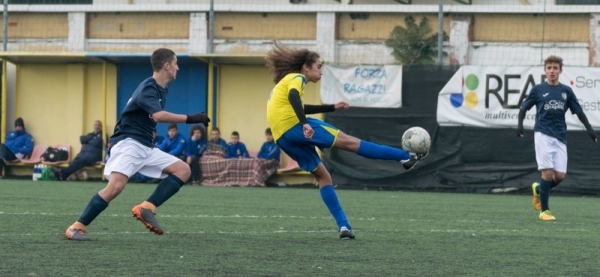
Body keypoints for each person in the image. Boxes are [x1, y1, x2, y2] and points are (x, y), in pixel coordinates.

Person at [265, 41, 427, 239]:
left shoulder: (288, 81)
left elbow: (300, 105)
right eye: (318, 66)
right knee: (352, 143)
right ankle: (405, 156)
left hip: (283, 137)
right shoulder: (297, 77)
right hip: (295, 126)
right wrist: (305, 124)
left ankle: (344, 226)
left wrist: (332, 107)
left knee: (323, 177)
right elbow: (293, 98)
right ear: (306, 67)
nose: (321, 71)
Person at [64, 48, 210, 241]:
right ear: (167, 66)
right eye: (176, 63)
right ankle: (76, 227)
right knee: (115, 187)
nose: (178, 68)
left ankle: (146, 207)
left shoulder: (161, 89)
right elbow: (158, 116)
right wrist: (191, 118)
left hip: (144, 146)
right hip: (129, 143)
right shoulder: (149, 87)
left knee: (183, 170)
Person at [516, 55, 597, 221]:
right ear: (545, 70)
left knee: (559, 176)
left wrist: (590, 130)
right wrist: (520, 125)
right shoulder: (538, 90)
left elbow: (579, 112)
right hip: (542, 134)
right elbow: (524, 108)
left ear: (561, 70)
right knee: (547, 173)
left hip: (560, 136)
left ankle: (538, 190)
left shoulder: (566, 91)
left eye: (555, 68)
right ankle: (544, 211)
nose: (552, 71)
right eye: (549, 68)